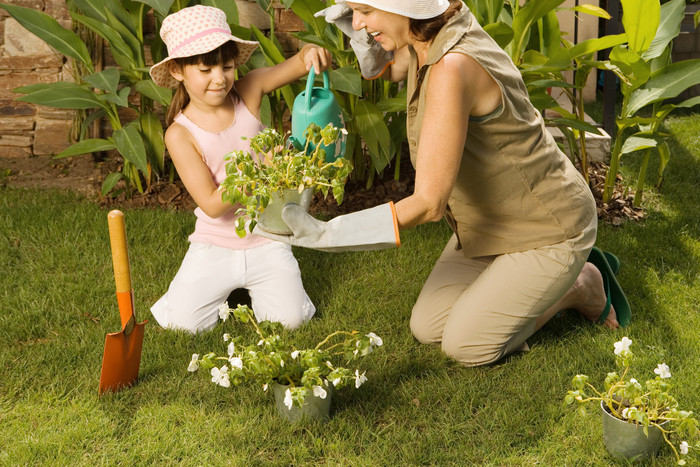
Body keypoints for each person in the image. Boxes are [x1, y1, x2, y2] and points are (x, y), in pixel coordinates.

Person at [257, 0, 631, 366]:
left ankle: (580, 284)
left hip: (547, 226)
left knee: (466, 346)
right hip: (491, 221)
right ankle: (529, 281)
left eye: (365, 11)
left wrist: (328, 234)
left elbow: (428, 203)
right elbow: (387, 70)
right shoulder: (428, 34)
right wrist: (363, 31)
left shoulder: (453, 66)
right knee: (428, 326)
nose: (356, 23)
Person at [148, 5, 332, 333]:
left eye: (227, 66)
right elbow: (211, 204)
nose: (220, 79)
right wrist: (259, 169)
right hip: (215, 243)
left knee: (290, 322)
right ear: (177, 70)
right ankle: (222, 287)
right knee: (182, 325)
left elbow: (299, 63)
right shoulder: (180, 133)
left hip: (267, 236)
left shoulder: (248, 91)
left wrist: (311, 53)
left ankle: (253, 286)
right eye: (205, 70)